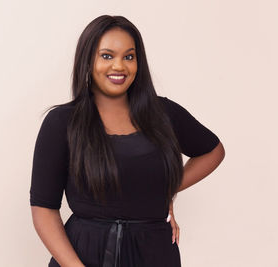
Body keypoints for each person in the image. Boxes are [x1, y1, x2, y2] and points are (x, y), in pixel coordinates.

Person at [29, 15, 225, 267]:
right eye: (107, 56)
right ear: (88, 60)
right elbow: (43, 209)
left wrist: (166, 189)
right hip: (84, 256)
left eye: (129, 56)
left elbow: (212, 151)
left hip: (155, 254)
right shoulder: (61, 122)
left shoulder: (164, 113)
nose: (119, 66)